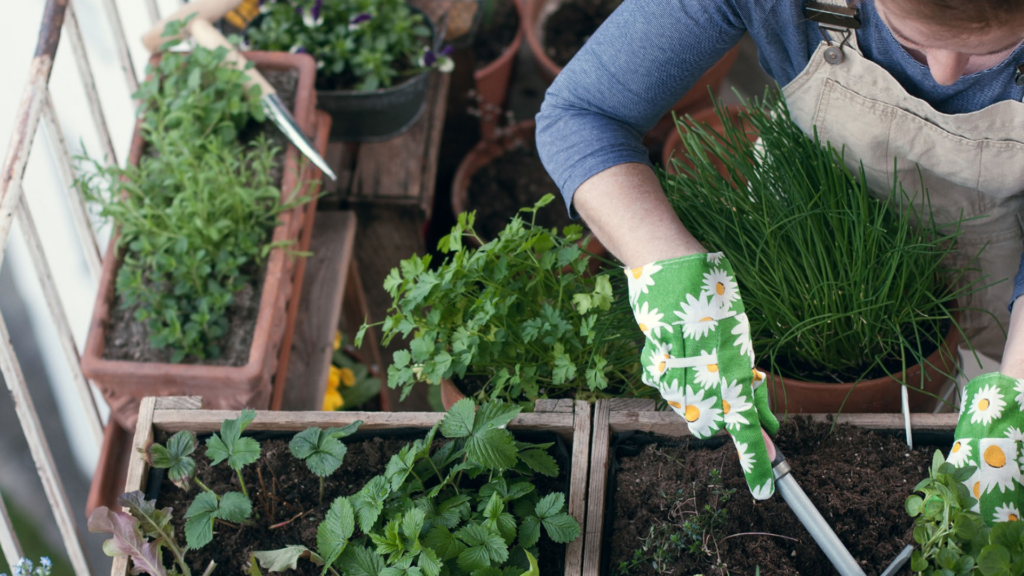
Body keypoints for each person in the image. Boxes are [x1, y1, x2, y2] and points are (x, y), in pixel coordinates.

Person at [536, 0, 1024, 523]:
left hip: (996, 246)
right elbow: (582, 112)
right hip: (812, 221)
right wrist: (670, 267)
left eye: (998, 50)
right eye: (908, 38)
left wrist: (1014, 402)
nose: (942, 72)